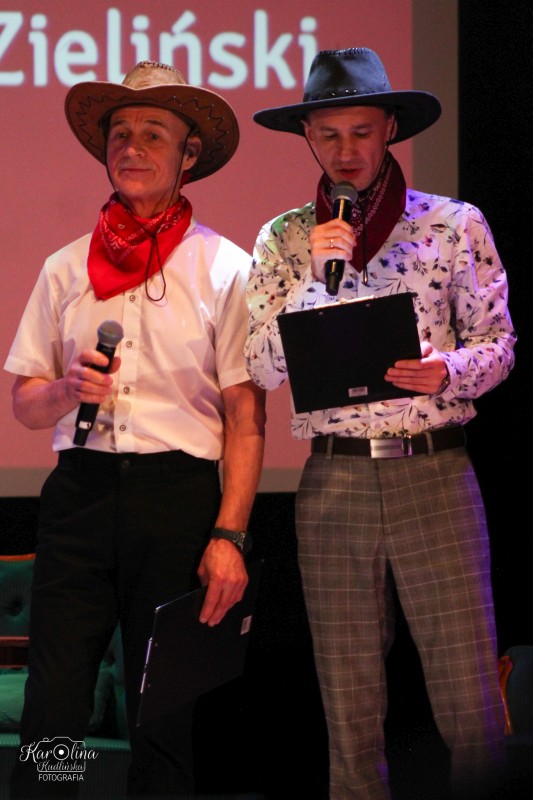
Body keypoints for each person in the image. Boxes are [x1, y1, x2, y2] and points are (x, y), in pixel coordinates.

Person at [244, 47, 515, 800]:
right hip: (334, 478)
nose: (346, 151)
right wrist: (311, 278)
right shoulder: (283, 238)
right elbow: (260, 365)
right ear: (307, 137)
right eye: (329, 135)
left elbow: (499, 344)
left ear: (390, 128)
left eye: (361, 132)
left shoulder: (453, 224)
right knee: (348, 701)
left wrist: (447, 370)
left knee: (468, 691)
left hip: (434, 468)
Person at [4, 60, 265, 798]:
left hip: (177, 498)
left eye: (153, 133)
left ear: (188, 154)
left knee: (163, 714)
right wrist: (64, 389)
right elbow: (25, 404)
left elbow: (246, 418)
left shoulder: (225, 267)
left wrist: (230, 535)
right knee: (54, 706)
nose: (132, 147)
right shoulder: (64, 268)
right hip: (80, 495)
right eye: (120, 133)